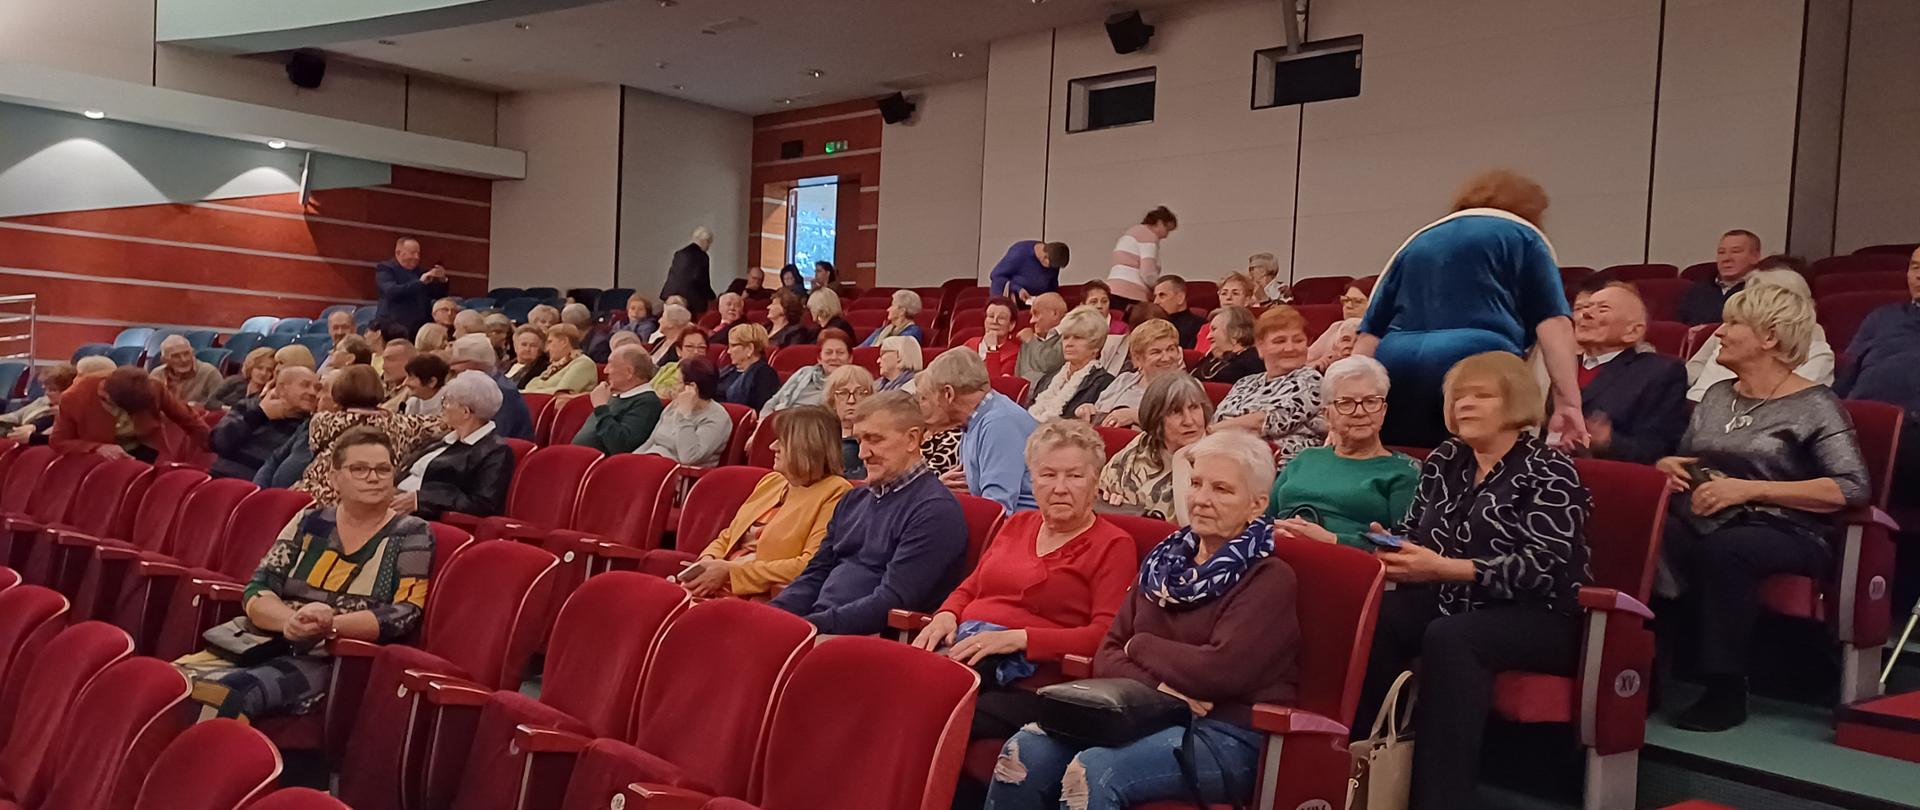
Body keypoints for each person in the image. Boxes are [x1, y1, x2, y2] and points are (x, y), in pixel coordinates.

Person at [986, 430, 1298, 810]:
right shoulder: (1164, 563)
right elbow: (1107, 654)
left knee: (1094, 770)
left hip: (1226, 734)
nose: (1201, 499)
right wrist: (1161, 688)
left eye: (1222, 489)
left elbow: (1219, 671)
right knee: (1025, 750)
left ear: (1256, 505)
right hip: (1140, 712)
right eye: (1196, 483)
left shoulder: (1268, 577)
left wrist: (1141, 645)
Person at [1355, 351, 1591, 810]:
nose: (1465, 405)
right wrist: (1392, 543)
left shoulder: (1550, 469)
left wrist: (1449, 570)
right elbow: (1418, 529)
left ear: (1516, 403)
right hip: (1453, 598)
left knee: (1452, 637)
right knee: (1376, 618)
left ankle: (1439, 799)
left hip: (1542, 616)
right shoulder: (1447, 459)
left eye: (1481, 395)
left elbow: (1541, 568)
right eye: (1459, 396)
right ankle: (1372, 768)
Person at [1655, 285, 1869, 732]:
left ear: (1769, 338)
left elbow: (1851, 487)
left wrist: (1750, 491)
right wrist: (1669, 465)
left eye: (1734, 324)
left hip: (1790, 528)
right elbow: (1694, 459)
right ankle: (1655, 671)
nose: (1719, 333)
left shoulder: (1816, 405)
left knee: (1726, 552)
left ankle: (1726, 688)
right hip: (1710, 511)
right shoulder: (1716, 394)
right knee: (1656, 535)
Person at [913, 419, 1136, 793]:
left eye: (1074, 476)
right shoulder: (1017, 524)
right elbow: (971, 586)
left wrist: (1017, 639)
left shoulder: (1113, 544)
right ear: (1032, 480)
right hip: (963, 657)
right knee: (889, 693)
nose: (1060, 487)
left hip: (1033, 686)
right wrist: (947, 613)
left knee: (933, 715)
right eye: (1048, 474)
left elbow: (1104, 636)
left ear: (1096, 481)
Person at [174, 427, 433, 720]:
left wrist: (328, 624)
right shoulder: (310, 521)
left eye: (383, 469)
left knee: (228, 693)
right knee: (168, 683)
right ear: (335, 477)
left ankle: (212, 765)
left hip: (330, 658)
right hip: (262, 642)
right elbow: (259, 585)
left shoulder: (411, 533)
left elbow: (404, 612)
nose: (373, 478)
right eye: (359, 469)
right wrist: (289, 622)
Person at [1354, 169, 1586, 449]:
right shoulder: (1524, 236)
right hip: (1478, 363)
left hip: (1396, 362)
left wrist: (1351, 390)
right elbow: (1554, 324)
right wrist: (1569, 403)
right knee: (1474, 468)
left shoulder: (1418, 241)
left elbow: (1370, 332)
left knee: (1403, 457)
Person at [770, 390, 968, 635]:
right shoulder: (853, 499)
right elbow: (815, 575)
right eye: (859, 440)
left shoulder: (934, 511)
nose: (863, 453)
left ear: (912, 439)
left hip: (867, 641)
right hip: (821, 626)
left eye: (874, 439)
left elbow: (891, 602)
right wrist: (772, 617)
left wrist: (807, 628)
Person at [674, 406, 854, 599]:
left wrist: (730, 572)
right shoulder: (772, 481)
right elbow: (728, 536)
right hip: (717, 583)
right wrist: (708, 562)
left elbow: (808, 564)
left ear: (807, 446)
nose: (772, 447)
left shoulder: (836, 492)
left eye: (782, 441)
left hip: (761, 596)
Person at [1263, 356, 1419, 549]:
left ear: (1383, 411)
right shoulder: (1306, 458)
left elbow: (1408, 545)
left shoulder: (1403, 471)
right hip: (1276, 551)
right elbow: (1264, 516)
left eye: (1371, 401)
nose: (1360, 412)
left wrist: (1332, 540)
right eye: (1346, 403)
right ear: (1327, 414)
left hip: (1345, 565)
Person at [1837, 246, 1920, 512]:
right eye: (1916, 267)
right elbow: (1846, 374)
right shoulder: (1882, 317)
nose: (1919, 276)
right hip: (1863, 427)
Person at [1574, 283, 1688, 463]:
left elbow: (1659, 448)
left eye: (1603, 309)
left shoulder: (1659, 372)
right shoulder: (1564, 365)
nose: (1585, 314)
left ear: (1633, 331)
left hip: (1610, 474)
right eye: (1585, 307)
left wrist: (1608, 441)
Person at [296, 366, 442, 506]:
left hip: (312, 498)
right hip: (361, 503)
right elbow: (445, 423)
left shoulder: (322, 421)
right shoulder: (403, 425)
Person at [1685, 265, 1835, 401]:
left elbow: (1788, 407)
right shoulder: (1727, 349)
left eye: (1736, 322)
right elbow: (1697, 398)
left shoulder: (1817, 354)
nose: (1719, 331)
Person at [917, 348, 1039, 512]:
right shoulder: (973, 421)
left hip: (1024, 529)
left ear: (948, 394)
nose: (922, 406)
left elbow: (996, 509)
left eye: (926, 397)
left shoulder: (1000, 424)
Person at [1214, 306, 1327, 466]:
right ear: (1260, 348)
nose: (1290, 348)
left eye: (1298, 340)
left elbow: (1269, 421)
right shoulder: (1245, 383)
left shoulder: (1310, 380)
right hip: (1233, 461)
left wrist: (1213, 432)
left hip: (1284, 469)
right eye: (1279, 341)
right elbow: (1219, 417)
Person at [393, 371, 514, 520]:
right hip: (396, 501)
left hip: (420, 517)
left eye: (447, 402)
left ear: (465, 412)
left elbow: (482, 504)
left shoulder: (495, 452)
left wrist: (422, 500)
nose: (442, 407)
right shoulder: (444, 440)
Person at [1098, 373, 1212, 521]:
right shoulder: (1143, 444)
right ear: (1156, 417)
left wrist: (1182, 459)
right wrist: (1109, 499)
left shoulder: (1218, 457)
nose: (1189, 421)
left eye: (1194, 408)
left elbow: (1192, 525)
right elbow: (1102, 488)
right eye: (1176, 412)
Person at [51, 366, 208, 463]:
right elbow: (59, 441)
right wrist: (97, 448)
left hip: (148, 452)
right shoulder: (75, 397)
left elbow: (188, 419)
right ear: (105, 396)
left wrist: (216, 447)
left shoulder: (153, 387)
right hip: (100, 461)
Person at [209, 366, 321, 480]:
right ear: (282, 388)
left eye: (317, 388)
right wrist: (261, 414)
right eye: (305, 385)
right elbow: (218, 442)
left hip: (258, 489)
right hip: (221, 478)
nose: (313, 392)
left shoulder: (310, 428)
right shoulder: (250, 406)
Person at [634, 356, 732, 467]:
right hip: (650, 462)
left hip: (678, 474)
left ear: (691, 387)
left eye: (677, 382)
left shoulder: (717, 418)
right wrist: (630, 461)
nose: (673, 387)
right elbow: (652, 441)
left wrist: (685, 414)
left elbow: (689, 457)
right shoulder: (674, 405)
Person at [1088, 318, 1183, 427]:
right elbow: (1100, 410)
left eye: (1171, 349)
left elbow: (1182, 425)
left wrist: (1135, 416)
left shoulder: (1187, 387)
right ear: (1138, 359)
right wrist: (1089, 410)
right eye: (1156, 352)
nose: (1166, 358)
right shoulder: (1124, 379)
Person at [570, 345, 663, 455]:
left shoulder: (647, 402)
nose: (605, 370)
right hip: (577, 459)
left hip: (601, 467)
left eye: (611, 365)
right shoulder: (614, 396)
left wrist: (601, 407)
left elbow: (620, 445)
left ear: (629, 372)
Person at [1027, 307, 1115, 421]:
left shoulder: (1105, 384)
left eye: (1077, 338)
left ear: (1096, 345)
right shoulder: (1047, 379)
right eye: (1066, 337)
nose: (1068, 344)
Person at [1678, 229, 1764, 326]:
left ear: (1755, 257)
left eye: (1736, 251)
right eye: (1721, 252)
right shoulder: (1697, 290)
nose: (1726, 258)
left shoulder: (1764, 291)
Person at [761, 328, 852, 417]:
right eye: (828, 352)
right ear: (819, 358)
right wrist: (764, 419)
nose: (834, 357)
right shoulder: (804, 372)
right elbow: (774, 401)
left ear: (850, 358)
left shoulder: (854, 382)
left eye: (840, 353)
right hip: (782, 420)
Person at [1104, 206, 1178, 307]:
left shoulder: (1132, 232)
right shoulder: (1149, 237)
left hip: (1113, 288)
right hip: (1131, 293)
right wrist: (1157, 288)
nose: (1166, 235)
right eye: (1167, 229)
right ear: (1160, 223)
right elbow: (1147, 272)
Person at [374, 237, 450, 333]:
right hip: (393, 326)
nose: (416, 257)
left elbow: (438, 295)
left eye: (418, 253)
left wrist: (442, 280)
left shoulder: (421, 272)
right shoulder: (386, 269)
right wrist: (420, 283)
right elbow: (392, 291)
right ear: (398, 253)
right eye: (413, 253)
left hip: (419, 328)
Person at [3, 363, 81, 446]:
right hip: (16, 434)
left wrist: (32, 431)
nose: (46, 393)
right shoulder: (43, 401)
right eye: (45, 388)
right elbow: (16, 416)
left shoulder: (70, 412)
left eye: (52, 390)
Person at [827, 364, 876, 479]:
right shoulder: (823, 437)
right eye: (843, 393)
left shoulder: (875, 440)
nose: (851, 400)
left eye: (860, 393)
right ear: (832, 401)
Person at [717, 323, 780, 411]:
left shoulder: (765, 374)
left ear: (750, 348)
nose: (728, 351)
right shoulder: (728, 370)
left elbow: (761, 410)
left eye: (733, 346)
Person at [522, 324, 597, 394]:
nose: (547, 349)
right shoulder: (556, 366)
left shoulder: (583, 364)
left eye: (550, 342)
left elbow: (561, 392)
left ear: (564, 342)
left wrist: (526, 392)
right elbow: (530, 385)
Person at [149, 335, 223, 407]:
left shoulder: (209, 373)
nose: (184, 360)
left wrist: (197, 407)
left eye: (187, 353)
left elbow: (220, 406)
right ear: (164, 360)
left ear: (193, 352)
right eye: (175, 356)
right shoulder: (157, 374)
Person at [989, 239, 1072, 301]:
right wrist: (1018, 289)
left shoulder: (1053, 260)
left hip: (1036, 302)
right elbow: (996, 275)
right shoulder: (1019, 253)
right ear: (1045, 257)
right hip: (1011, 300)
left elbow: (1052, 284)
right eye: (1051, 266)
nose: (1053, 269)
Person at [1194, 306, 1261, 384]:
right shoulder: (1213, 357)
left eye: (1214, 329)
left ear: (1235, 332)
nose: (1208, 336)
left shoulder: (1251, 361)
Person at [660, 226, 716, 314]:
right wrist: (712, 296)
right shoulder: (702, 256)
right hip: (691, 298)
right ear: (705, 241)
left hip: (670, 293)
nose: (708, 246)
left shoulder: (679, 253)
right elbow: (702, 279)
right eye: (709, 243)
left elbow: (675, 274)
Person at [1015, 292, 1068, 385]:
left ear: (1055, 314)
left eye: (1036, 314)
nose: (1031, 321)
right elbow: (1018, 375)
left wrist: (1031, 341)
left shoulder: (1069, 336)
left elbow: (1049, 363)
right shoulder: (1029, 339)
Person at [1194, 272, 1254, 352]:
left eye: (1235, 293)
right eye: (1224, 293)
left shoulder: (1254, 328)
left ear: (1247, 300)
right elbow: (1200, 356)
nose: (1228, 297)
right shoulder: (1207, 328)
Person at [966, 297, 1024, 378]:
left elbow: (995, 384)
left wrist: (992, 349)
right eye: (991, 316)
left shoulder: (1015, 354)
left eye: (1001, 318)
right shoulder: (970, 343)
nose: (995, 321)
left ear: (1011, 325)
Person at [650, 328, 708, 400]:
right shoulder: (668, 367)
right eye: (689, 346)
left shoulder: (706, 375)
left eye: (701, 347)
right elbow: (650, 388)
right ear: (679, 351)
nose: (696, 351)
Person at [1150, 275, 1205, 349]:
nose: (1156, 302)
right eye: (1155, 297)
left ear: (1180, 298)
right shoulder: (1151, 325)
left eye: (1162, 295)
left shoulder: (1199, 326)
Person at [213, 348, 278, 409]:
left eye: (269, 370)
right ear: (250, 367)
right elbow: (210, 401)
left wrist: (265, 390)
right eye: (259, 368)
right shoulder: (234, 381)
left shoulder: (270, 394)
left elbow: (254, 411)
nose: (263, 373)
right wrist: (225, 408)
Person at [859, 290, 925, 347]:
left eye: (892, 305)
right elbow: (862, 348)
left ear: (902, 311)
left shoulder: (913, 332)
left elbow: (892, 349)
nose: (888, 309)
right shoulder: (884, 329)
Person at [378, 339, 418, 408]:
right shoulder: (378, 387)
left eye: (390, 360)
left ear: (410, 362)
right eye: (384, 360)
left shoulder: (416, 393)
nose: (384, 366)